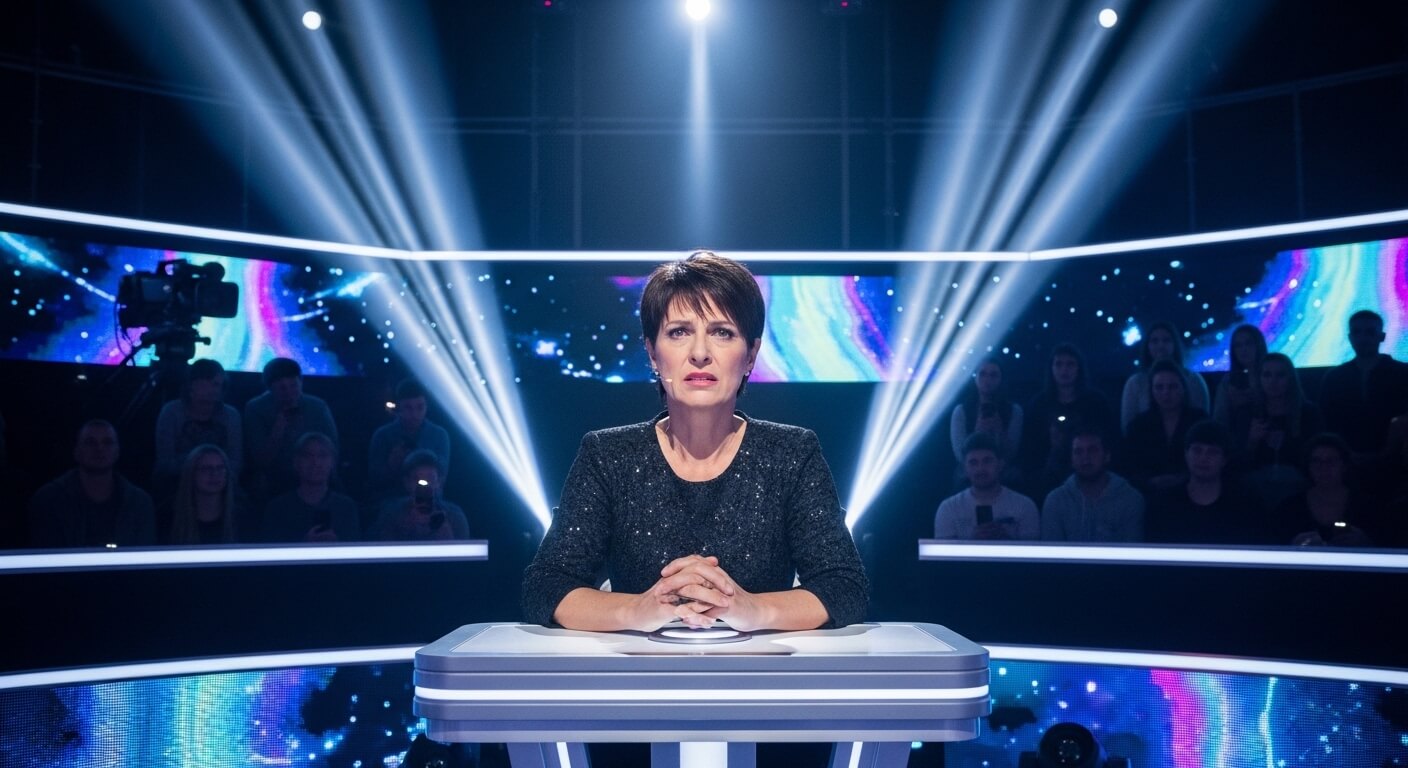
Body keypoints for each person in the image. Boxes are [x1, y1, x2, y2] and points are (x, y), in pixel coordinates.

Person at [521, 251, 869, 633]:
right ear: (652, 353)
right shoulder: (608, 456)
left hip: (762, 666)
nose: (700, 354)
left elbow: (843, 586)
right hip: (636, 664)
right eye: (679, 332)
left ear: (751, 355)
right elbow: (547, 585)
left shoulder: (791, 454)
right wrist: (639, 610)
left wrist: (750, 609)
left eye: (722, 333)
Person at [27, 420, 156, 548]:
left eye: (107, 442)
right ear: (77, 451)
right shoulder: (48, 500)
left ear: (117, 451)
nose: (99, 449)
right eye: (90, 442)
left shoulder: (139, 503)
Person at [1146, 420, 1265, 545]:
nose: (1203, 458)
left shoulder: (1247, 504)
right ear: (1186, 454)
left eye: (1212, 452)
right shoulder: (1163, 504)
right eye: (1197, 450)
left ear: (1224, 459)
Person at [1021, 343, 1115, 500]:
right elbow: (1029, 448)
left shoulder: (1096, 402)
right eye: (1058, 364)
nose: (1064, 370)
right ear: (1051, 368)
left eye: (1070, 364)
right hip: (1047, 476)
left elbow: (1110, 438)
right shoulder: (1039, 405)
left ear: (1079, 368)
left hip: (1093, 471)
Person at [1229, 353, 1323, 509]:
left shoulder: (1308, 413)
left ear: (1290, 379)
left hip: (1299, 489)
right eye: (1267, 375)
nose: (1273, 381)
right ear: (1259, 378)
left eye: (1280, 375)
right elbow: (1236, 462)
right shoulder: (1246, 413)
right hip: (1256, 490)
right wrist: (1252, 441)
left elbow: (1316, 458)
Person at [243, 357, 339, 500]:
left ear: (301, 382)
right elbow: (259, 459)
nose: (289, 392)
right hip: (274, 480)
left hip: (315, 475)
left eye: (293, 386)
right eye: (282, 388)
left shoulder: (318, 407)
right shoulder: (256, 409)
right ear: (270, 388)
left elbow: (332, 448)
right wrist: (278, 429)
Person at [1318, 310, 1408, 456]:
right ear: (1350, 337)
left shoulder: (1403, 373)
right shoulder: (1334, 378)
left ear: (1382, 336)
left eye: (1369, 332)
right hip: (1344, 460)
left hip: (1395, 458)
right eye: (1357, 332)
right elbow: (1326, 421)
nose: (1362, 338)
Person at [152, 359, 243, 495]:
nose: (213, 389)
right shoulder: (171, 412)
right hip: (176, 486)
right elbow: (165, 462)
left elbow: (236, 461)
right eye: (207, 382)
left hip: (221, 487)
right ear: (191, 385)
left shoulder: (231, 415)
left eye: (217, 384)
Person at [1120, 360, 1209, 493]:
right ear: (1151, 390)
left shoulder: (1200, 421)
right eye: (1159, 387)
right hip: (1148, 493)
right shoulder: (1138, 425)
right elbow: (1129, 465)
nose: (1166, 392)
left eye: (1172, 387)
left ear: (1183, 388)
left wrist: (1183, 478)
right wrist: (1149, 481)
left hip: (1194, 490)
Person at [1041, 428, 1144, 543]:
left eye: (1092, 450)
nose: (1085, 457)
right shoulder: (1055, 501)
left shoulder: (1130, 499)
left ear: (1107, 456)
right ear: (1071, 460)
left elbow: (1131, 550)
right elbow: (1052, 551)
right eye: (1078, 452)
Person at [933, 432, 1039, 541]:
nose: (981, 469)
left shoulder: (1025, 506)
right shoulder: (949, 508)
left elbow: (1033, 551)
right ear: (965, 468)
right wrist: (973, 541)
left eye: (987, 461)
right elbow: (943, 552)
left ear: (1000, 464)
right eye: (973, 463)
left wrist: (1005, 540)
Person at [1275, 434, 1374, 547]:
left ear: (1344, 465)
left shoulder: (1367, 506)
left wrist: (1365, 542)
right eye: (1316, 461)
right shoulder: (1289, 509)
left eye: (1331, 461)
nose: (1323, 467)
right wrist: (1293, 546)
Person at [263, 432, 360, 543]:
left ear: (333, 463)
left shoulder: (346, 507)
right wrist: (303, 545)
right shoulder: (277, 509)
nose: (315, 463)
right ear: (296, 462)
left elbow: (355, 550)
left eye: (323, 455)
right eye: (307, 456)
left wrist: (336, 545)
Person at [366, 378, 451, 502]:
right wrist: (391, 465)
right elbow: (374, 480)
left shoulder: (440, 435)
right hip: (392, 501)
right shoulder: (382, 436)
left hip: (431, 501)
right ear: (399, 408)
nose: (414, 414)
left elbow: (441, 478)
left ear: (427, 407)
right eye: (408, 408)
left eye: (420, 407)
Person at [1120, 321, 1210, 432]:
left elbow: (1203, 425)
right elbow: (1128, 428)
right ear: (1147, 346)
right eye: (1155, 341)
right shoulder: (1135, 383)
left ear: (1175, 345)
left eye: (1166, 340)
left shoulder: (1193, 380)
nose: (1161, 346)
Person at [372, 450, 469, 541]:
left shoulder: (454, 516)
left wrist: (445, 534)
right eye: (417, 479)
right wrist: (404, 529)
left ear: (439, 482)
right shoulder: (391, 514)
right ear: (407, 482)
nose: (425, 485)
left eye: (431, 478)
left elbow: (464, 550)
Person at [949, 356, 1023, 468]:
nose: (987, 380)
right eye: (982, 374)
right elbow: (960, 455)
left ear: (1001, 379)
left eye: (993, 375)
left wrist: (999, 432)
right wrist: (977, 433)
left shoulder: (1014, 411)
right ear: (975, 378)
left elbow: (1012, 453)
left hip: (1004, 471)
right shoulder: (961, 411)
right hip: (970, 472)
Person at [167, 444, 246, 545]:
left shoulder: (243, 517)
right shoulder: (168, 518)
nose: (215, 474)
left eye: (220, 468)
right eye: (205, 469)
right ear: (191, 473)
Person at [1212, 325, 1267, 426]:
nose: (1243, 349)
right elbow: (1219, 420)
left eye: (1248, 343)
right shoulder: (1228, 381)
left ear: (1258, 345)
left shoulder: (1272, 373)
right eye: (1238, 345)